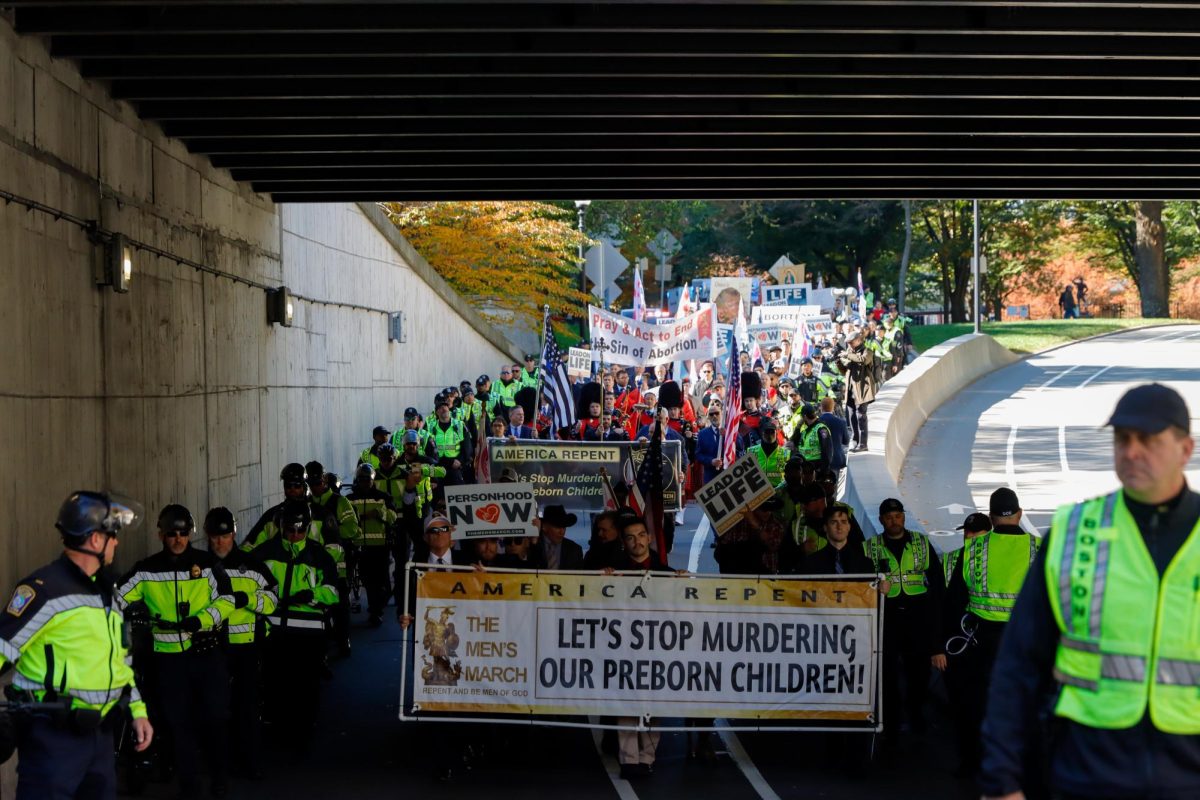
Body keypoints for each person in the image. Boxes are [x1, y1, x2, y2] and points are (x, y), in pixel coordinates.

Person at [981, 383, 1200, 800]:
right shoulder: (1073, 533)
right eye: (1122, 439)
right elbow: (1018, 666)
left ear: (1185, 450)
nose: (1131, 451)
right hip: (1087, 772)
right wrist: (1001, 779)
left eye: (1148, 440)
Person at [0, 491, 153, 799]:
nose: (117, 543)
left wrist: (138, 710)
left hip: (99, 738)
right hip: (53, 742)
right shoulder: (44, 590)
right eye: (113, 535)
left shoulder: (109, 593)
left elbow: (121, 661)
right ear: (95, 540)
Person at [117, 505, 235, 798]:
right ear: (161, 534)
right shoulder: (146, 569)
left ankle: (220, 777)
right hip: (169, 662)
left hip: (206, 654)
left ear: (192, 533)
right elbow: (116, 598)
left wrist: (203, 620)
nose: (178, 538)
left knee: (215, 719)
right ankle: (190, 787)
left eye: (183, 532)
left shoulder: (207, 564)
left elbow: (227, 599)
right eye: (172, 533)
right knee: (179, 725)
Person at [249, 500, 339, 751]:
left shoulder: (319, 555)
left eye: (300, 530)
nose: (295, 535)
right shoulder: (264, 553)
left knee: (306, 684)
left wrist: (311, 594)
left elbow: (333, 592)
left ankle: (303, 731)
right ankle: (278, 728)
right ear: (281, 527)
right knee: (275, 681)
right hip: (274, 631)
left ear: (308, 528)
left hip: (309, 634)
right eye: (290, 530)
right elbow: (249, 585)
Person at [203, 507, 277, 782]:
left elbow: (272, 599)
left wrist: (249, 601)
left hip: (245, 648)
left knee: (247, 707)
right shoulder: (198, 566)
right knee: (216, 710)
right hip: (210, 648)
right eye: (214, 536)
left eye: (224, 535)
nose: (220, 541)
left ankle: (250, 762)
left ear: (233, 533)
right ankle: (220, 769)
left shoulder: (254, 564)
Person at [863, 498, 944, 739]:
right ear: (881, 520)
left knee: (918, 671)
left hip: (917, 615)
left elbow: (937, 583)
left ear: (904, 517)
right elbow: (860, 584)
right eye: (889, 517)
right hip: (887, 617)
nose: (894, 520)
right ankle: (892, 719)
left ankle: (917, 713)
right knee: (887, 671)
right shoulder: (870, 547)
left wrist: (935, 619)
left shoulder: (920, 542)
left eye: (897, 516)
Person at [346, 463, 397, 627]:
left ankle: (378, 608)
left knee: (381, 582)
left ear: (372, 480)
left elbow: (393, 517)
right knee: (368, 581)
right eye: (361, 479)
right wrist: (360, 517)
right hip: (360, 547)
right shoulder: (350, 499)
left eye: (367, 479)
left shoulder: (383, 497)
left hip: (380, 546)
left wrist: (379, 513)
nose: (364, 482)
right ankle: (375, 612)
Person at [838, 331, 878, 452]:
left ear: (859, 340)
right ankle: (855, 440)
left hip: (862, 389)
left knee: (861, 416)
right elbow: (845, 371)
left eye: (851, 342)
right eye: (848, 343)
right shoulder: (850, 353)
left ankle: (863, 443)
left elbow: (863, 360)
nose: (849, 345)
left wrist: (847, 355)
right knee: (851, 415)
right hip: (851, 389)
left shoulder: (867, 351)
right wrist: (838, 361)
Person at [806, 505, 875, 575]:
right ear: (825, 527)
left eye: (843, 522)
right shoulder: (811, 563)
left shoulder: (865, 563)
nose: (839, 527)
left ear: (849, 527)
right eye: (834, 522)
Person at [537, 505, 584, 570]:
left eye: (564, 527)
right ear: (544, 526)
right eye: (557, 527)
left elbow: (580, 577)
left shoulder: (574, 550)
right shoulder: (532, 546)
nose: (562, 532)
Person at [747, 417, 789, 486]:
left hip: (779, 493)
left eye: (772, 432)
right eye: (766, 432)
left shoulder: (786, 453)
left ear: (776, 433)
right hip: (759, 492)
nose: (770, 435)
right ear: (761, 433)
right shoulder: (751, 451)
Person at [792, 403, 833, 472]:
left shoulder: (821, 429)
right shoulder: (805, 431)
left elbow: (827, 451)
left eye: (802, 417)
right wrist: (798, 427)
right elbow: (795, 442)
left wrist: (823, 471)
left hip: (817, 468)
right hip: (805, 468)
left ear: (804, 416)